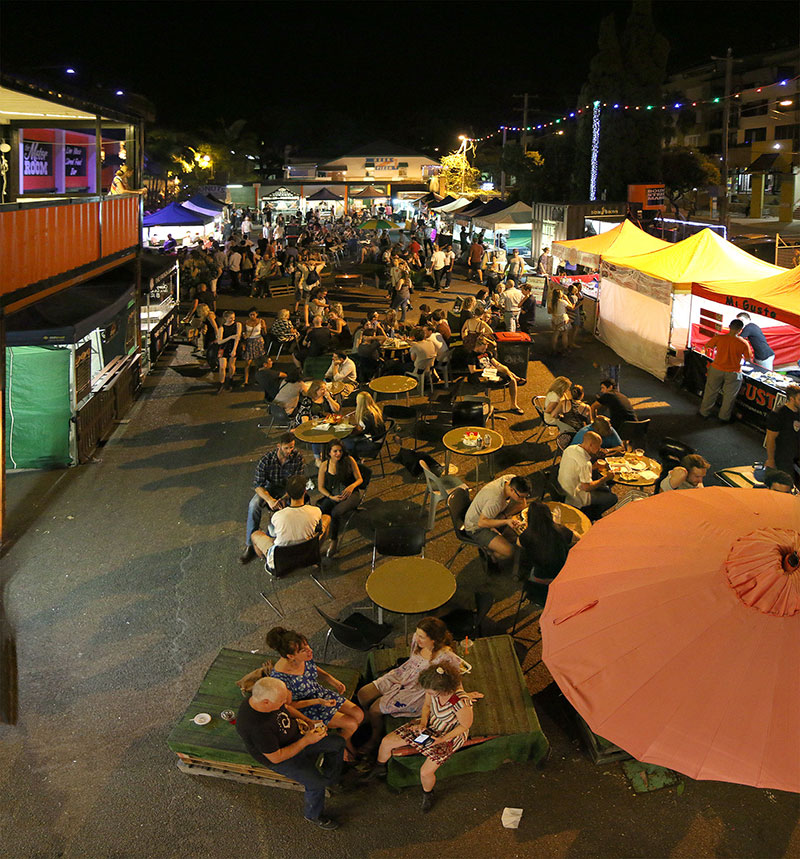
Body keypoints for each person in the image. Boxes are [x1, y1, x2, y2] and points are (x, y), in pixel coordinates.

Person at [236, 676, 345, 829]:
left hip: (298, 738)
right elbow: (276, 757)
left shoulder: (265, 698)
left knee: (337, 743)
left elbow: (286, 708)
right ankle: (313, 815)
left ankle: (330, 779)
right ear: (266, 702)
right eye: (281, 701)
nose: (285, 702)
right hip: (282, 756)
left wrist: (309, 721)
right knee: (315, 783)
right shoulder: (255, 727)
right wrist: (306, 740)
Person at [371, 664, 476, 813]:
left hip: (449, 734)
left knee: (425, 772)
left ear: (443, 690)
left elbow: (465, 726)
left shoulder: (459, 703)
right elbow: (427, 706)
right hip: (430, 724)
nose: (428, 693)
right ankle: (379, 768)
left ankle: (428, 794)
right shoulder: (432, 689)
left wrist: (442, 739)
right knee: (387, 742)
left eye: (431, 692)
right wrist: (422, 723)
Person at [356, 618, 473, 751]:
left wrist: (463, 696)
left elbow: (454, 679)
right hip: (403, 674)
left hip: (418, 689)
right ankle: (370, 719)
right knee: (363, 694)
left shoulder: (447, 657)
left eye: (422, 637)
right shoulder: (417, 641)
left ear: (434, 639)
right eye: (417, 634)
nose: (417, 638)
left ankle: (374, 737)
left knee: (375, 708)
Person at [266, 626, 363, 761]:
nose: (310, 651)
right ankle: (342, 745)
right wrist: (318, 702)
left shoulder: (304, 657)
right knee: (351, 724)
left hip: (319, 693)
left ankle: (343, 738)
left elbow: (313, 668)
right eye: (303, 650)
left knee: (359, 714)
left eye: (308, 645)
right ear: (291, 656)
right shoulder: (282, 677)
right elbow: (289, 706)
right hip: (307, 707)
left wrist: (332, 680)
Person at [240, 434, 305, 564]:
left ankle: (290, 543)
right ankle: (250, 545)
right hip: (269, 488)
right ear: (278, 446)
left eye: (291, 447)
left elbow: (298, 482)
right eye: (286, 448)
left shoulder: (297, 458)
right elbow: (258, 486)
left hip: (288, 489)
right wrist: (269, 499)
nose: (289, 451)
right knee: (254, 505)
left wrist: (285, 497)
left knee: (290, 510)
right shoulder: (266, 460)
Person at [252, 475, 330, 569]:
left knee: (255, 535)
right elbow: (319, 528)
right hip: (306, 555)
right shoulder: (316, 511)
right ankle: (315, 554)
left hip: (282, 561)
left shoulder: (278, 516)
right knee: (327, 518)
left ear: (287, 493)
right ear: (305, 492)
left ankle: (269, 563)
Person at [464, 473, 531, 568]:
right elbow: (481, 522)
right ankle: (490, 555)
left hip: (492, 515)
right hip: (476, 527)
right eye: (521, 496)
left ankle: (496, 542)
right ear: (512, 490)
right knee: (509, 551)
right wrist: (506, 521)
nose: (523, 499)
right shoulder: (495, 501)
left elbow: (522, 504)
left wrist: (504, 515)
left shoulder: (511, 479)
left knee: (514, 533)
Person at [517, 500, 576, 603]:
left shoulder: (527, 536)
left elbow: (518, 543)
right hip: (562, 575)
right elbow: (578, 538)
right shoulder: (561, 530)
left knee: (529, 566)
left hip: (539, 579)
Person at [698, 319, 753, 422]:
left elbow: (707, 346)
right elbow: (748, 359)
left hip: (716, 368)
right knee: (729, 396)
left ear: (729, 326)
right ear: (740, 330)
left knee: (710, 391)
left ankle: (704, 412)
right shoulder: (743, 343)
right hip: (733, 372)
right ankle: (723, 417)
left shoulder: (719, 338)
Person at [316, 440, 364, 557]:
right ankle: (317, 541)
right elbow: (320, 487)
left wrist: (352, 486)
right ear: (329, 453)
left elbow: (360, 479)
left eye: (340, 451)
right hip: (333, 494)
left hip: (351, 494)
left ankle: (333, 541)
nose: (338, 454)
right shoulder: (324, 465)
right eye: (335, 451)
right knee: (319, 510)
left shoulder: (349, 461)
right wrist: (331, 497)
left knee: (335, 512)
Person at [558, 430, 617, 520]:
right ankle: (591, 515)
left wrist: (594, 467)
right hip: (574, 496)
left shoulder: (571, 448)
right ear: (591, 445)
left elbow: (576, 469)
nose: (599, 449)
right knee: (612, 498)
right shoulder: (585, 463)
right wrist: (606, 478)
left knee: (604, 488)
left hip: (562, 486)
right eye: (598, 446)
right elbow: (587, 487)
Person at [468, 337, 524, 414]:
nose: (484, 351)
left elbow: (496, 363)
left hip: (492, 372)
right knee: (503, 371)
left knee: (512, 380)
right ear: (477, 347)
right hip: (482, 375)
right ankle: (487, 405)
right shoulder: (472, 356)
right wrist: (489, 369)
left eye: (485, 349)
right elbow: (472, 371)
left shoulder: (487, 353)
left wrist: (497, 368)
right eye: (483, 349)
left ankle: (513, 405)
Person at [292, 380, 340, 465]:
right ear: (315, 390)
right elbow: (304, 414)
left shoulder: (327, 396)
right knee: (316, 436)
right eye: (322, 389)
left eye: (325, 389)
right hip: (314, 423)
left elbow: (336, 409)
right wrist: (307, 425)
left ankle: (331, 453)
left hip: (327, 421)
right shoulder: (308, 400)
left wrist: (329, 398)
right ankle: (317, 457)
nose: (324, 391)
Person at [764, 384, 800, 481]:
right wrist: (770, 459)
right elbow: (770, 439)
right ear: (792, 399)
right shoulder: (778, 414)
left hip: (795, 453)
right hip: (783, 456)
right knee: (786, 482)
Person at [215, 310, 241, 393]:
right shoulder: (221, 328)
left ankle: (230, 379)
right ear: (225, 318)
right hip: (224, 348)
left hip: (233, 347)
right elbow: (219, 341)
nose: (232, 320)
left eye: (233, 318)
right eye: (230, 318)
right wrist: (230, 337)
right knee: (222, 367)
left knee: (231, 365)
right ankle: (221, 383)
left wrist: (234, 350)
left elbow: (237, 337)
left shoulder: (238, 325)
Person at [242, 308, 267, 385]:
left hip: (258, 341)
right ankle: (245, 380)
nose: (252, 316)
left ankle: (258, 379)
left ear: (257, 314)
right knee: (247, 363)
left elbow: (265, 333)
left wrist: (264, 327)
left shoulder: (261, 321)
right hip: (249, 342)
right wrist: (244, 336)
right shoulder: (246, 322)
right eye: (250, 314)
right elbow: (243, 333)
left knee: (258, 362)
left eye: (254, 314)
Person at [547, 286, 573, 355]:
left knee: (555, 334)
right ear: (559, 295)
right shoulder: (562, 302)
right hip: (563, 319)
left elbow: (549, 312)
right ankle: (565, 349)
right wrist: (567, 299)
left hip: (554, 319)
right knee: (565, 334)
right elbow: (571, 307)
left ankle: (553, 349)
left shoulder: (551, 302)